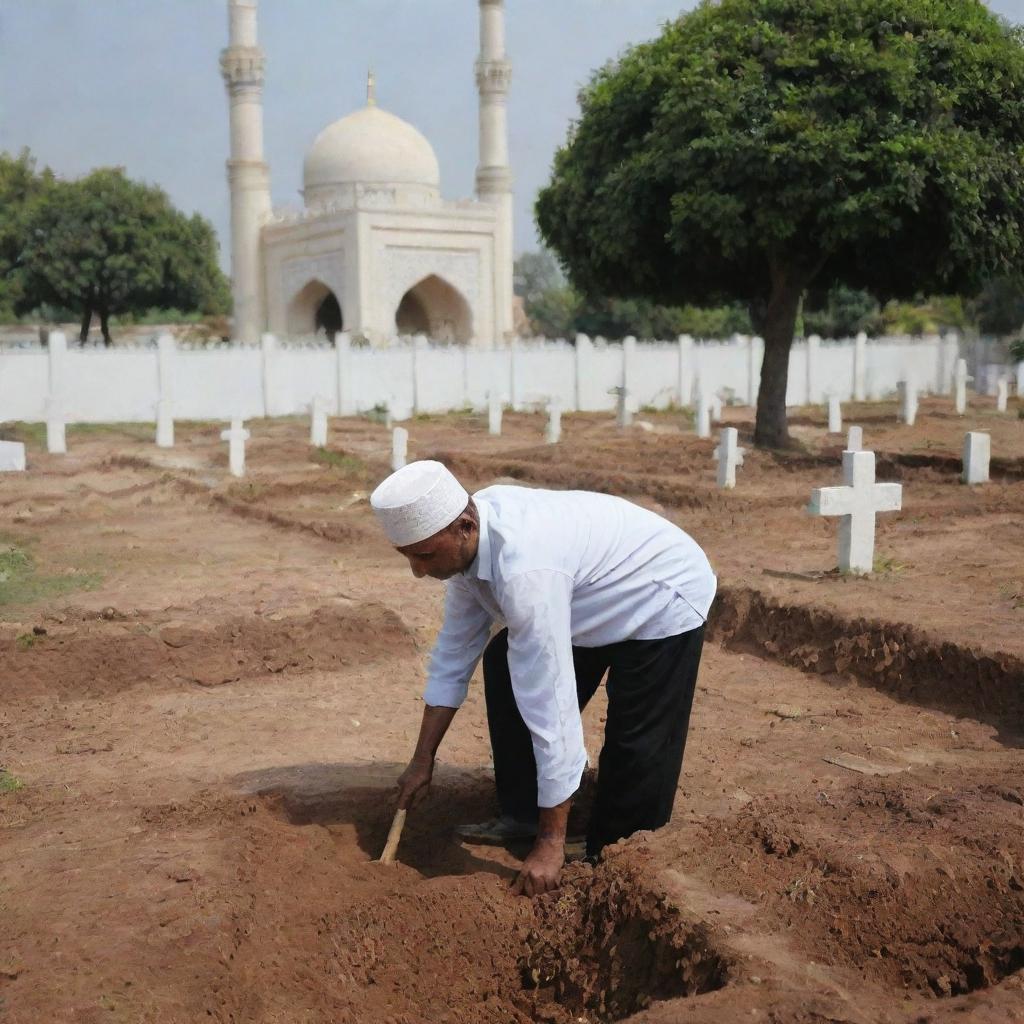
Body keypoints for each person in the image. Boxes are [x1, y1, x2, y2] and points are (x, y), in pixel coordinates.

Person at [369, 460, 716, 896]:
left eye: (424, 556)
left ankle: (617, 855)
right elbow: (453, 657)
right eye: (408, 557)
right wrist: (423, 760)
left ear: (464, 526)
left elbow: (553, 707)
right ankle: (525, 812)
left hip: (659, 593)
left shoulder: (524, 568)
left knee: (637, 742)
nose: (418, 571)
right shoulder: (466, 550)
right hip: (587, 596)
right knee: (502, 663)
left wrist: (550, 846)